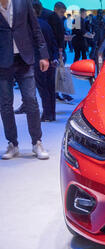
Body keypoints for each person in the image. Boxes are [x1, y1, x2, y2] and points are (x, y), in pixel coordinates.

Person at [0, 0, 50, 160]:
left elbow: (35, 29)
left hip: (25, 58)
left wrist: (44, 55)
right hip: (2, 61)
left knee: (31, 101)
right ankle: (12, 144)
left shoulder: (23, 2)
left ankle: (37, 142)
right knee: (6, 104)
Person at [32, 0, 58, 122]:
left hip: (39, 61)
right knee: (50, 88)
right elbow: (53, 42)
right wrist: (55, 57)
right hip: (51, 60)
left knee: (43, 89)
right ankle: (51, 114)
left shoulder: (32, 25)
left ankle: (47, 114)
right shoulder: (45, 24)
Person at [46, 1, 74, 103]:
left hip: (58, 49)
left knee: (60, 73)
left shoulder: (58, 19)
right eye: (61, 12)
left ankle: (60, 94)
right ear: (55, 9)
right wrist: (60, 51)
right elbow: (55, 36)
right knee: (60, 73)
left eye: (64, 12)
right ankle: (62, 94)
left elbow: (59, 35)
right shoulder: (54, 20)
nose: (63, 14)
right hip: (57, 50)